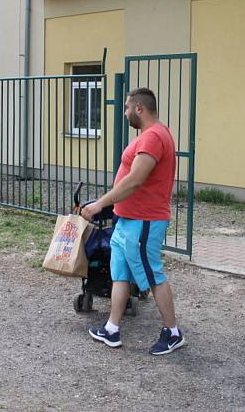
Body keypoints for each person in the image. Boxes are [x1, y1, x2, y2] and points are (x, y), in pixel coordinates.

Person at [81, 87, 184, 355]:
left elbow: (136, 180)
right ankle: (112, 328)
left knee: (152, 275)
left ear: (139, 108)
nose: (125, 113)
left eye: (127, 108)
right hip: (127, 219)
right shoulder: (149, 136)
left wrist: (100, 204)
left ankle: (173, 332)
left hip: (144, 220)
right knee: (121, 274)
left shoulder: (153, 137)